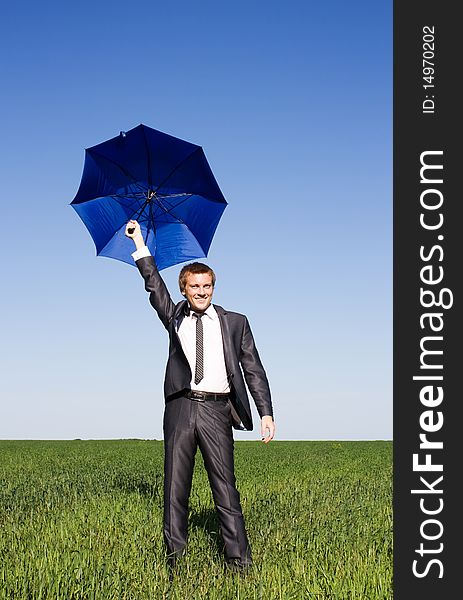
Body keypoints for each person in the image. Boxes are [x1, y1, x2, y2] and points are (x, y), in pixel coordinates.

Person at [125, 219, 275, 573]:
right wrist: (139, 243)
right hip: (179, 408)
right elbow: (153, 285)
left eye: (207, 286)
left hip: (216, 411)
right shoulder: (174, 315)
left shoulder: (235, 322)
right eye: (195, 286)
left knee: (226, 490)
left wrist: (265, 412)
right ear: (184, 289)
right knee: (175, 490)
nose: (202, 292)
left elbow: (253, 368)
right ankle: (174, 563)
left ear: (214, 287)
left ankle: (239, 564)